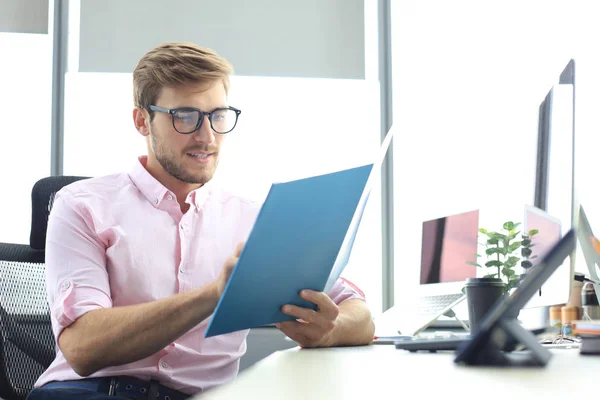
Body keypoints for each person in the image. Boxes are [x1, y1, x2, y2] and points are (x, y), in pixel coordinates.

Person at [26, 42, 375, 400]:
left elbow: (360, 314)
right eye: (185, 116)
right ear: (142, 121)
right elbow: (83, 348)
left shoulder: (252, 219)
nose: (207, 136)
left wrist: (330, 330)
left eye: (218, 115)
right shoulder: (81, 205)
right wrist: (214, 296)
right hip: (88, 392)